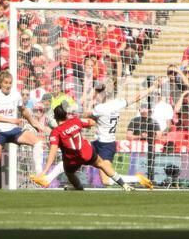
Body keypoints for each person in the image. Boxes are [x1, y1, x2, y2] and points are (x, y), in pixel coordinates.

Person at [32, 79, 163, 189]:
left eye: (98, 92)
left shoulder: (99, 108)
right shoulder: (118, 103)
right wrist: (153, 87)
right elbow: (137, 96)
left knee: (105, 180)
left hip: (105, 145)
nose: (96, 95)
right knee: (73, 155)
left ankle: (137, 178)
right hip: (100, 143)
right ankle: (51, 179)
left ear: (103, 94)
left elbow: (87, 118)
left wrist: (67, 117)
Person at [35, 103, 135, 191]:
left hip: (72, 159)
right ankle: (124, 185)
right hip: (86, 152)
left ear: (55, 118)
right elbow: (92, 123)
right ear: (66, 115)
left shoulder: (55, 132)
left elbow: (52, 152)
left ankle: (78, 187)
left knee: (69, 173)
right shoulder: (75, 121)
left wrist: (45, 170)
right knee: (102, 164)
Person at [0, 70, 44, 190]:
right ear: (1, 83)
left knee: (38, 142)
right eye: (6, 83)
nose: (8, 85)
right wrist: (11, 120)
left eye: (10, 83)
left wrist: (33, 122)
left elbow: (22, 110)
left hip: (13, 130)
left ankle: (39, 174)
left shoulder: (16, 95)